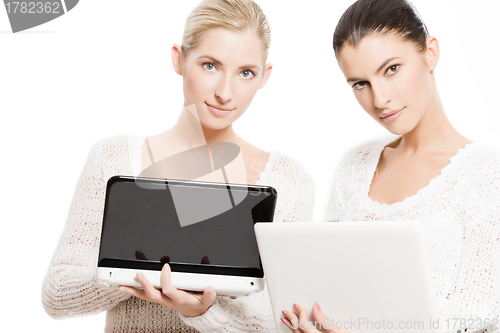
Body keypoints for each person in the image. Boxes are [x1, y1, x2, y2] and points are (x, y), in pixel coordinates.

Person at [41, 0, 315, 332]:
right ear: (179, 59)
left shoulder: (288, 180)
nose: (225, 92)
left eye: (245, 72)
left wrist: (202, 311)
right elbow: (56, 295)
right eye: (210, 65)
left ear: (264, 76)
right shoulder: (113, 157)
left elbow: (276, 321)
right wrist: (133, 270)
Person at [281, 0, 500, 332]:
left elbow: (472, 317)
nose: (379, 98)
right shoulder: (354, 168)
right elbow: (328, 290)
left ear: (430, 53)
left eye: (392, 69)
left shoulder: (487, 177)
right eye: (360, 83)